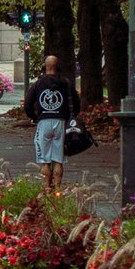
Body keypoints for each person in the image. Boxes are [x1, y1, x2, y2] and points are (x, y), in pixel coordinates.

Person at [26, 50, 85, 191]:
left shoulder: (38, 84)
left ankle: (46, 188)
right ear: (58, 67)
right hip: (61, 123)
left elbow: (28, 105)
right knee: (59, 159)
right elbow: (76, 104)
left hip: (44, 122)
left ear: (44, 67)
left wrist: (35, 117)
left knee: (44, 161)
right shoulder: (66, 83)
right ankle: (58, 189)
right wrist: (69, 117)